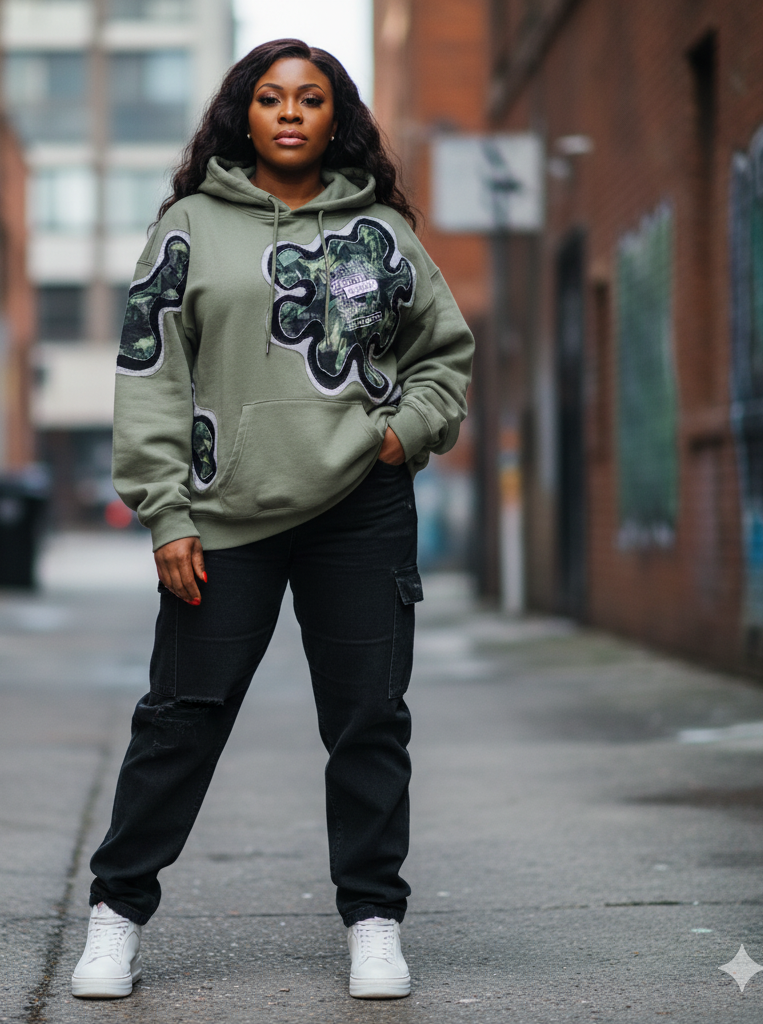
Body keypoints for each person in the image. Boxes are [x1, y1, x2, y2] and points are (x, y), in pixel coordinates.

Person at [71, 38, 474, 1001]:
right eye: (270, 97)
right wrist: (166, 514)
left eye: (310, 98)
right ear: (241, 115)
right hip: (222, 518)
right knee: (180, 719)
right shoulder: (189, 227)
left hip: (362, 511)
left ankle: (374, 923)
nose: (290, 112)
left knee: (369, 720)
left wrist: (400, 436)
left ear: (337, 119)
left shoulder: (380, 230)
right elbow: (150, 374)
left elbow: (445, 355)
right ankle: (116, 915)